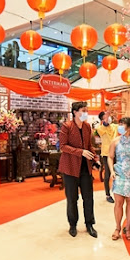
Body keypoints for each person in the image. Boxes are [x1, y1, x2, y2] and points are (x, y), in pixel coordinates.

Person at [58, 101, 99, 238]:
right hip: (70, 167)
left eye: (86, 110)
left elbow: (89, 145)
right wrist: (80, 152)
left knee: (88, 197)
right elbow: (63, 146)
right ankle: (73, 224)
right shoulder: (67, 126)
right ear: (75, 112)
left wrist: (94, 157)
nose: (85, 113)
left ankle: (89, 224)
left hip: (85, 168)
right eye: (83, 110)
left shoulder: (87, 127)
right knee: (72, 198)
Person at [108, 117, 130, 241]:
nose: (119, 126)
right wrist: (112, 171)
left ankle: (128, 228)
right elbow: (110, 157)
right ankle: (117, 228)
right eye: (119, 124)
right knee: (118, 202)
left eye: (122, 124)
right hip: (119, 173)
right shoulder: (115, 141)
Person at [97, 111, 118, 203]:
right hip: (106, 153)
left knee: (118, 172)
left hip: (117, 152)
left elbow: (124, 127)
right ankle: (107, 194)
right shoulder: (100, 128)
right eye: (106, 116)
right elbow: (104, 126)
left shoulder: (114, 126)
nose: (108, 118)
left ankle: (118, 192)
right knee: (108, 174)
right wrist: (105, 120)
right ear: (102, 119)